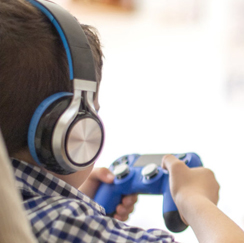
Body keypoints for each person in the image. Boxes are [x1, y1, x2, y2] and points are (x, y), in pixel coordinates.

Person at [0, 0, 244, 242]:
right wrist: (195, 200)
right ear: (71, 131)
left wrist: (73, 198)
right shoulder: (63, 223)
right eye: (93, 111)